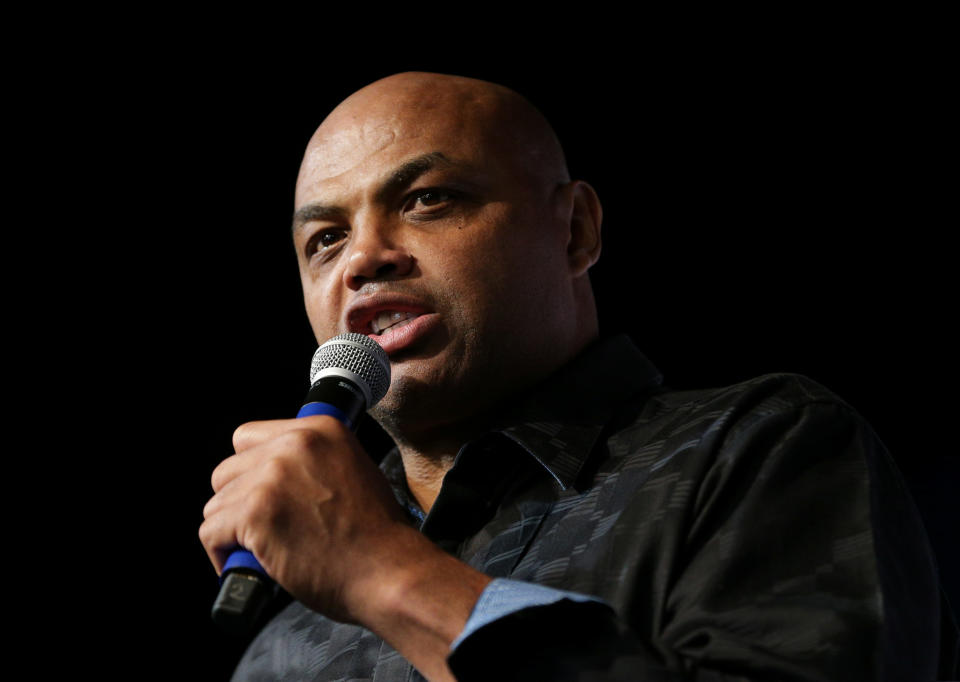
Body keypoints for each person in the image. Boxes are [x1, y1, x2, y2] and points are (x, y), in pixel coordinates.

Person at [199, 72, 958, 681]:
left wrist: (385, 573)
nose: (364, 258)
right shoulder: (289, 631)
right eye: (326, 239)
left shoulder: (756, 449)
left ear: (577, 230)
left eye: (428, 199)